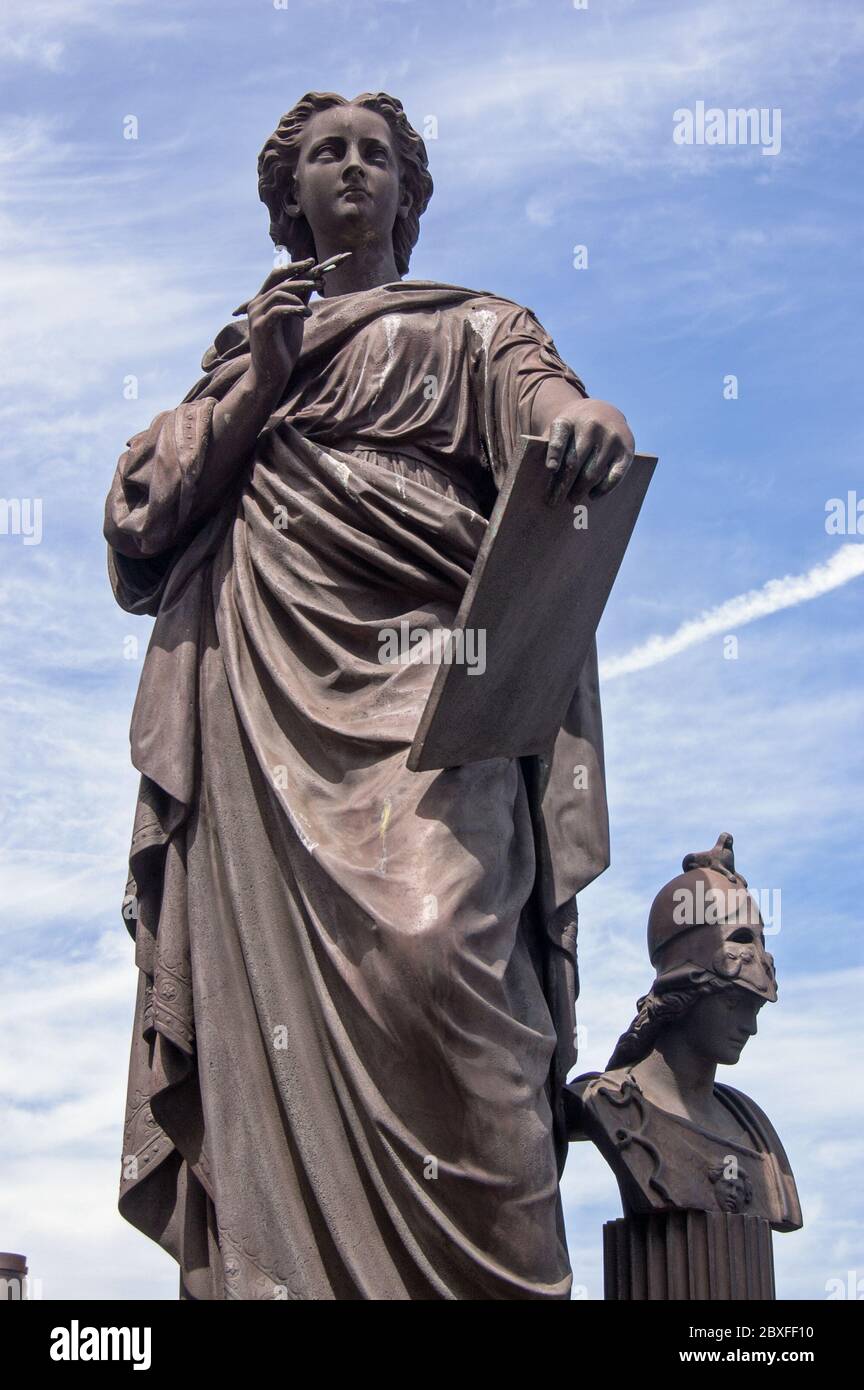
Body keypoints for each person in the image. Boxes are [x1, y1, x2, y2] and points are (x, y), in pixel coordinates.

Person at [105, 90, 635, 1300]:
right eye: (328, 156)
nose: (353, 169)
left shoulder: (477, 325)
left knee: (446, 951)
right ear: (289, 196)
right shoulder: (250, 354)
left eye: (378, 155)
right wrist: (260, 384)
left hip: (442, 687)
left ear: (410, 189)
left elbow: (552, 402)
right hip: (267, 696)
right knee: (262, 1012)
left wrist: (587, 422)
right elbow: (139, 523)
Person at [569, 835, 801, 1231]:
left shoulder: (754, 1129)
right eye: (734, 1004)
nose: (751, 1027)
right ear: (684, 994)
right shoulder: (606, 1101)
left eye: (755, 1008)